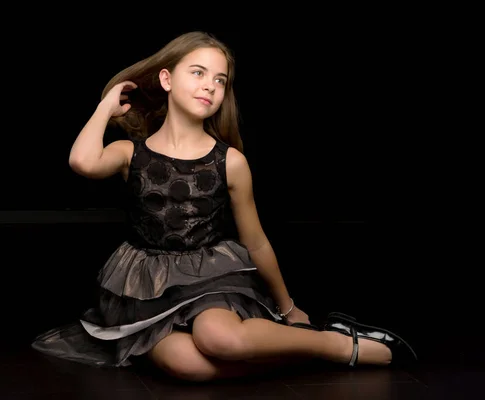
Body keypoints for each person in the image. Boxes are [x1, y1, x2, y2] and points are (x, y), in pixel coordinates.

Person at [31, 31, 417, 382]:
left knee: (217, 338)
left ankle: (336, 345)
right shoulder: (130, 152)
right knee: (190, 366)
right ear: (167, 80)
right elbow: (82, 161)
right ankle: (305, 352)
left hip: (209, 277)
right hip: (149, 284)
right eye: (198, 73)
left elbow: (257, 242)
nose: (210, 87)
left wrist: (288, 308)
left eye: (220, 80)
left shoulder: (229, 161)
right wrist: (106, 106)